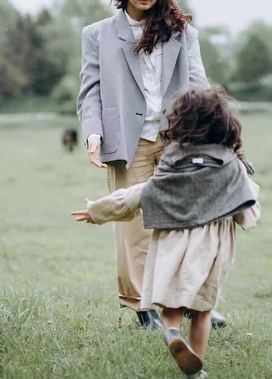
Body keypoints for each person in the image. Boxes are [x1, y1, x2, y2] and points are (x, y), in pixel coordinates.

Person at [76, 0, 226, 330]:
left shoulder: (182, 32)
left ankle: (193, 301)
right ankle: (144, 308)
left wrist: (211, 134)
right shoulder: (97, 35)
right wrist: (93, 133)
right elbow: (90, 92)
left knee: (188, 221)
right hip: (128, 142)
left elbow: (197, 83)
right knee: (133, 224)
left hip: (179, 140)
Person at [72, 86, 261, 378]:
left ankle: (172, 332)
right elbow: (246, 205)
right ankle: (196, 368)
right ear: (223, 123)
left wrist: (97, 210)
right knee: (202, 311)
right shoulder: (229, 163)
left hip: (173, 241)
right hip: (212, 247)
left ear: (178, 123)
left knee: (171, 305)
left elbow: (137, 194)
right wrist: (249, 217)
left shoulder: (172, 160)